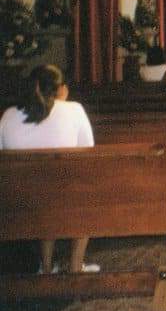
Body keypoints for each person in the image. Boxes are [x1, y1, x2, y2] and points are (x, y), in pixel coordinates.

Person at [0, 65, 98, 274]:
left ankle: (45, 267)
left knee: (45, 187)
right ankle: (75, 265)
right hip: (64, 198)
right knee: (80, 189)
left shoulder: (8, 115)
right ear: (61, 89)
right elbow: (88, 153)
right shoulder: (74, 110)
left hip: (15, 202)